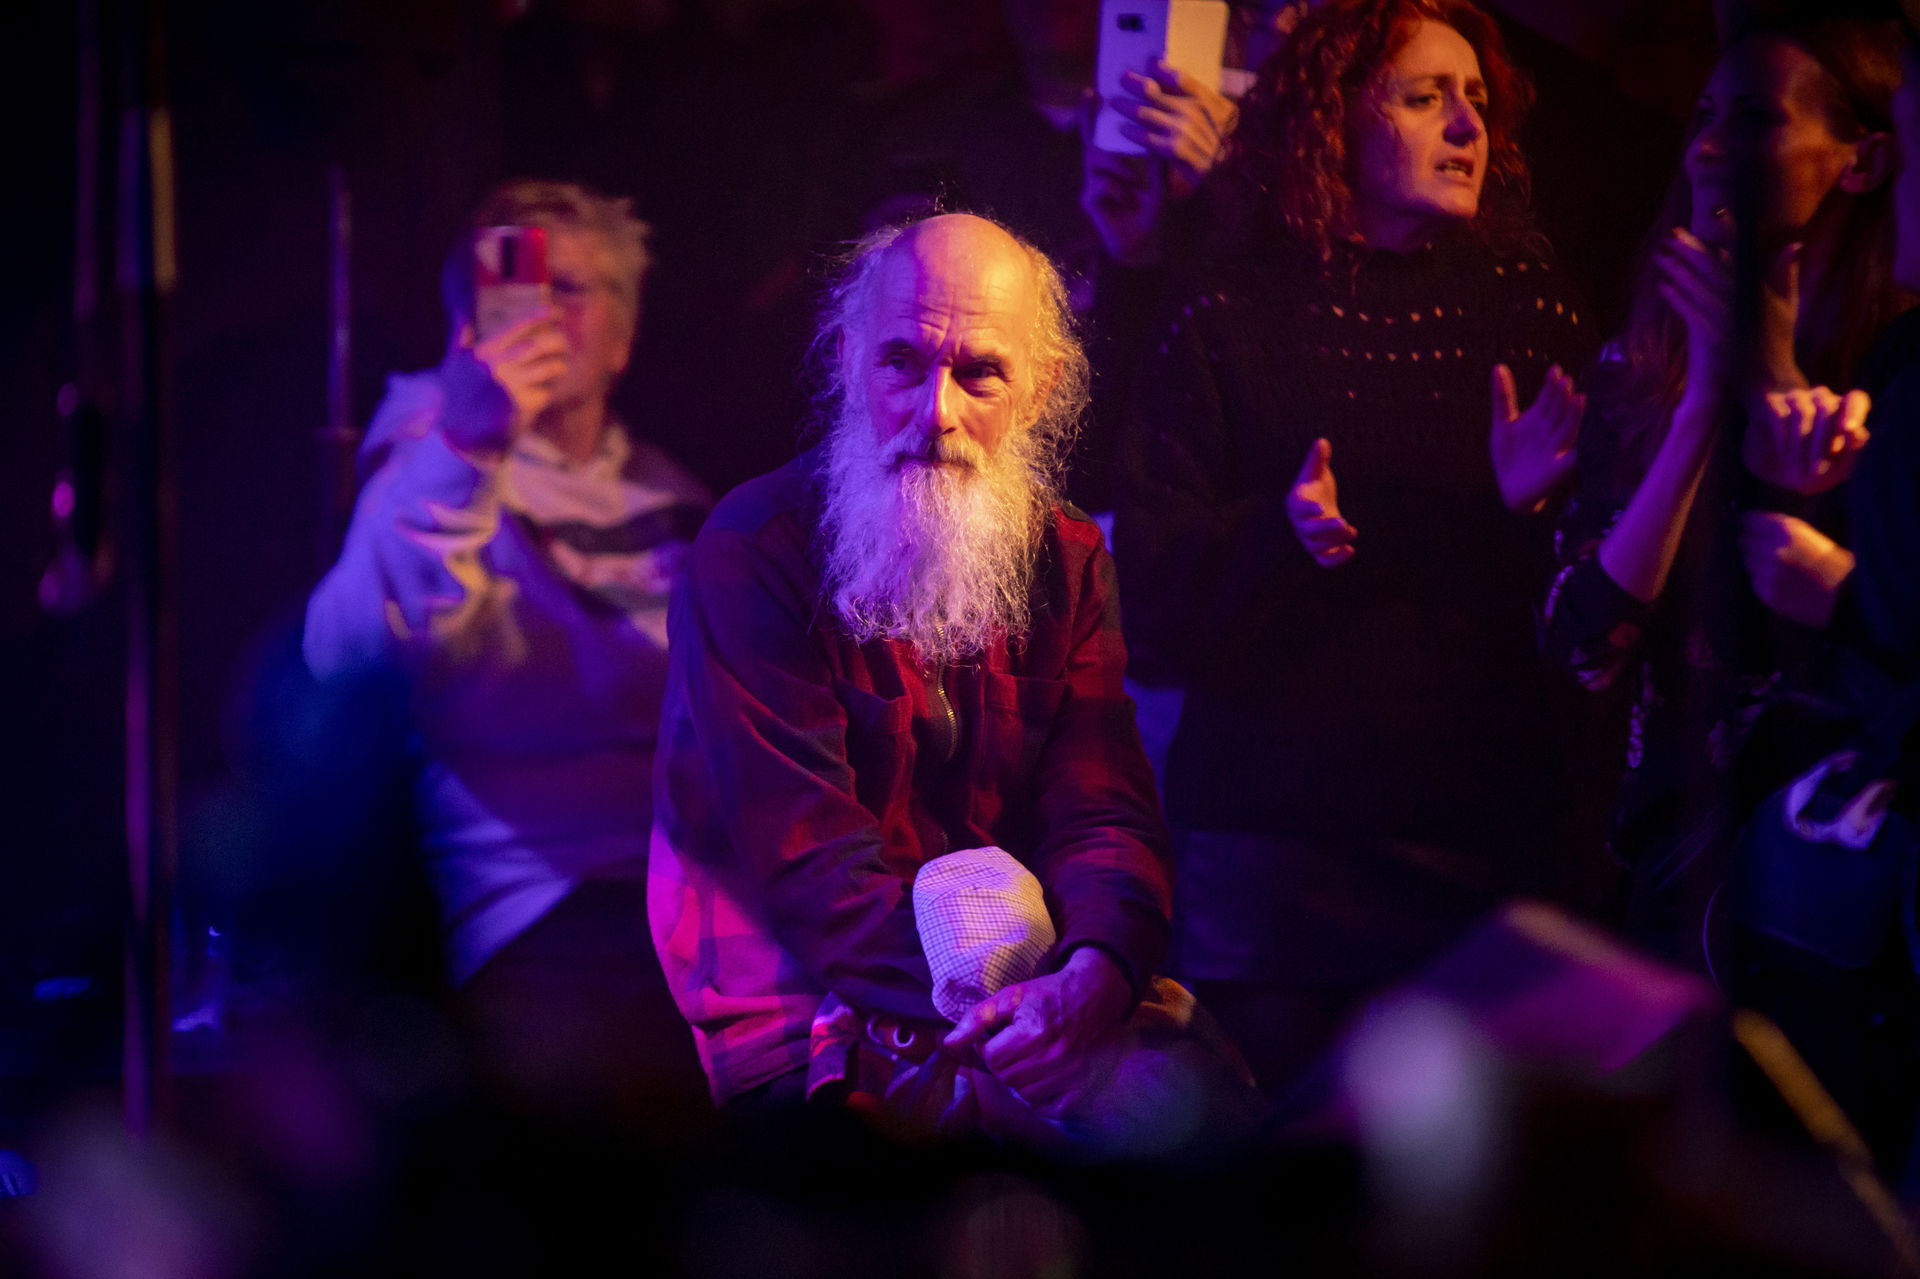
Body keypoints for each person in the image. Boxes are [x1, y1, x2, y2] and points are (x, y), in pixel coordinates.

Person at [1115, 0, 1593, 1098]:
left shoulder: (1529, 309)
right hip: (1276, 853)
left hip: (1476, 836)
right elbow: (1155, 591)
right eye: (1426, 97)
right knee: (1272, 1198)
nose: (1466, 126)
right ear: (1332, 123)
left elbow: (1603, 608)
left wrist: (1524, 512)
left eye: (1476, 101)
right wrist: (1280, 536)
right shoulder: (1229, 315)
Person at [648, 213, 1209, 1142]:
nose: (935, 410)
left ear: (1042, 391)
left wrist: (1099, 967)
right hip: (800, 986)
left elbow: (1102, 809)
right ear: (847, 362)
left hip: (1022, 979)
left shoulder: (1067, 558)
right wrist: (1015, 1006)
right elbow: (809, 866)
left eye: (979, 371)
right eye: (901, 362)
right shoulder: (753, 552)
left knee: (1212, 1133)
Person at [304, 179, 711, 1126]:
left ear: (625, 331)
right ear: (463, 321)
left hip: (680, 897)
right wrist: (470, 441)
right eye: (511, 288)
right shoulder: (425, 463)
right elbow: (351, 661)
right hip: (522, 901)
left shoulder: (672, 492)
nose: (540, 315)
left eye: (570, 289)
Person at [1539, 17, 1907, 970]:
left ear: (1863, 161)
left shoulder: (1895, 380)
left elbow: (1870, 653)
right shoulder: (1643, 366)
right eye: (1702, 116)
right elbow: (1582, 644)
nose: (1704, 149)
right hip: (1666, 885)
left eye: (1753, 120)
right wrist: (1707, 396)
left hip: (1836, 904)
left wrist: (1775, 382)